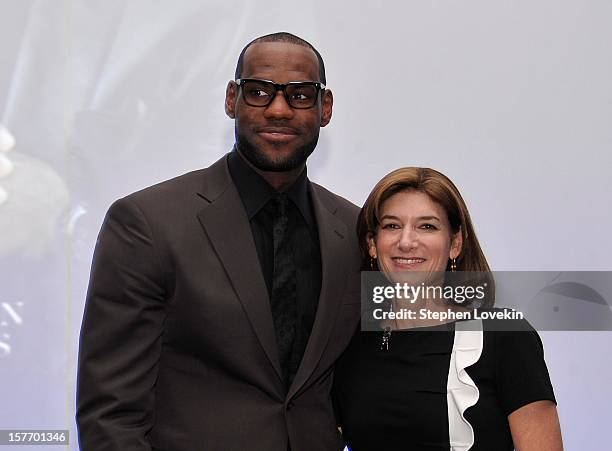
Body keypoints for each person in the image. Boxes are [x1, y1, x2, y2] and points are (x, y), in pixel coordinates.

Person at [76, 32, 361, 451]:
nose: (278, 110)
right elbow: (110, 414)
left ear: (325, 108)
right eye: (259, 92)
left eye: (300, 95)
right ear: (232, 100)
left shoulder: (355, 230)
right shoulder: (148, 224)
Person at [333, 167, 563, 451]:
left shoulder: (504, 335)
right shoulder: (349, 342)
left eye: (427, 226)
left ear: (455, 244)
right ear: (372, 244)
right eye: (392, 225)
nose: (406, 242)